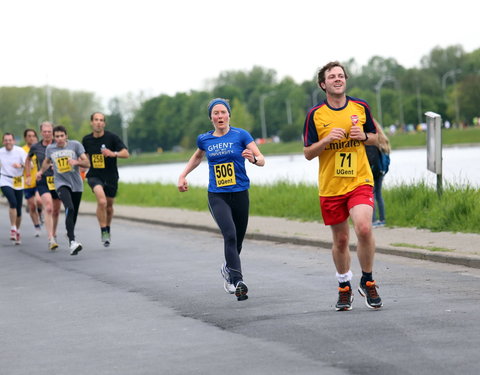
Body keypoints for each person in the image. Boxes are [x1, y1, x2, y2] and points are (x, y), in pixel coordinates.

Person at [303, 61, 383, 311]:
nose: (338, 79)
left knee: (363, 227)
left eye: (341, 76)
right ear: (323, 84)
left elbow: (376, 137)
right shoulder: (315, 115)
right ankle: (344, 285)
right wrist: (326, 140)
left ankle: (368, 279)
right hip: (331, 186)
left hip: (359, 180)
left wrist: (365, 137)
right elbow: (307, 153)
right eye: (332, 77)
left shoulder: (361, 107)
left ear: (345, 80)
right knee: (340, 240)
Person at [178, 98, 265, 301]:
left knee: (238, 241)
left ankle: (228, 270)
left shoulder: (241, 135)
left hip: (240, 193)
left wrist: (252, 159)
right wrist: (183, 175)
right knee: (230, 235)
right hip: (217, 195)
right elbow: (197, 157)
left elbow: (261, 158)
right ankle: (238, 282)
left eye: (223, 112)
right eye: (215, 113)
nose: (220, 116)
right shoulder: (205, 139)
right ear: (211, 118)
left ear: (229, 115)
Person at [38, 126, 90, 255]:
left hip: (76, 184)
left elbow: (87, 163)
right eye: (57, 136)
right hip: (61, 183)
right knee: (69, 208)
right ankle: (72, 243)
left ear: (66, 136)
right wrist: (40, 172)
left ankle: (69, 233)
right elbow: (46, 161)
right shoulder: (50, 148)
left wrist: (77, 163)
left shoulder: (75, 145)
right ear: (54, 138)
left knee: (73, 214)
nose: (59, 139)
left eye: (62, 136)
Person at [82, 112, 129, 247]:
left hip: (111, 176)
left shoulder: (112, 138)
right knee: (101, 202)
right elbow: (84, 159)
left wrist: (113, 153)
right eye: (96, 120)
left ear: (104, 123)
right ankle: (103, 230)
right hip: (94, 175)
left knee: (109, 206)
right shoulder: (86, 140)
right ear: (91, 122)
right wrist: (79, 170)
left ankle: (107, 227)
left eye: (101, 120)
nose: (98, 122)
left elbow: (126, 153)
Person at [25, 121, 62, 250]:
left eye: (49, 132)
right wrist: (28, 175)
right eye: (44, 132)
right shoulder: (36, 147)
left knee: (56, 211)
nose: (47, 134)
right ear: (41, 132)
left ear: (53, 132)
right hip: (43, 180)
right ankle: (50, 238)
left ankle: (54, 232)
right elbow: (28, 159)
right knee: (49, 207)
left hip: (58, 180)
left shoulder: (59, 144)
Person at [0, 133, 27, 245]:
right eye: (6, 140)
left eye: (10, 140)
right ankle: (13, 229)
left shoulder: (20, 151)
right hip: (5, 179)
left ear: (14, 141)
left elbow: (30, 165)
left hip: (18, 180)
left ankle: (17, 230)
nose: (8, 142)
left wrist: (20, 166)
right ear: (3, 142)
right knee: (13, 202)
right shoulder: (0, 152)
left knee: (19, 210)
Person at [366, 123, 391, 227]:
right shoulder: (383, 140)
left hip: (372, 171)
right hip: (381, 171)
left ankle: (373, 220)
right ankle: (382, 219)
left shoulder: (373, 142)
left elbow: (371, 158)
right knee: (379, 195)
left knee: (372, 194)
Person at [22, 128, 43, 237]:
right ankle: (37, 226)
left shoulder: (39, 149)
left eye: (33, 136)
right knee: (31, 206)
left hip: (39, 180)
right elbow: (18, 163)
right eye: (29, 136)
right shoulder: (22, 150)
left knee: (39, 201)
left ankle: (40, 214)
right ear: (25, 138)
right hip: (28, 181)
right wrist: (21, 165)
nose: (31, 138)